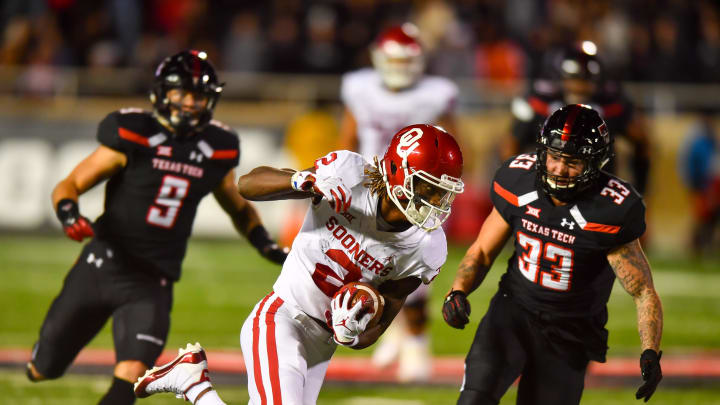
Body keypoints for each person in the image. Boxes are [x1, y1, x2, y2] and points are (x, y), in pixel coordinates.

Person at [26, 50, 288, 405]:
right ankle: (43, 360)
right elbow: (68, 184)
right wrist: (69, 213)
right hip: (102, 265)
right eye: (182, 93)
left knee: (130, 378)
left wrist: (264, 243)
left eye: (198, 95)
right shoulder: (133, 132)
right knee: (45, 368)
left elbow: (238, 208)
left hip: (153, 281)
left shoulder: (216, 148)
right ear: (163, 93)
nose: (190, 103)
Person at [134, 123, 465, 404]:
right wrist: (302, 181)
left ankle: (192, 382)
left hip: (320, 348)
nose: (436, 202)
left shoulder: (426, 246)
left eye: (442, 193)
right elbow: (247, 184)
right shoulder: (348, 174)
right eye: (428, 188)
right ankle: (193, 384)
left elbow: (384, 319)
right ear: (396, 172)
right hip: (282, 316)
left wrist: (353, 333)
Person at [442, 104, 663, 404]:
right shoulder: (518, 180)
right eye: (555, 157)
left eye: (572, 161)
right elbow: (481, 251)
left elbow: (642, 291)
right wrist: (458, 291)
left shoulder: (611, 210)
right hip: (512, 315)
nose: (559, 168)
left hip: (570, 332)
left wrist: (650, 351)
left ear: (595, 164)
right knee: (474, 399)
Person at [338, 22, 459, 381]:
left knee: (414, 268)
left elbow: (453, 146)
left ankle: (417, 342)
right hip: (371, 185)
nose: (398, 69)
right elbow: (347, 139)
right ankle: (395, 330)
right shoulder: (358, 87)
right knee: (365, 264)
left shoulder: (435, 94)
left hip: (418, 191)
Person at [500, 42, 652, 196]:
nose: (579, 87)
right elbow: (511, 144)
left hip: (596, 194)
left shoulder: (612, 104)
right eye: (574, 80)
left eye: (584, 81)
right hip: (545, 190)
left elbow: (642, 142)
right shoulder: (539, 101)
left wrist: (640, 191)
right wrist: (516, 187)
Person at [678, 110, 720, 255]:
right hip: (701, 186)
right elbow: (694, 166)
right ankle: (695, 247)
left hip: (709, 186)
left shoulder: (710, 141)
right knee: (701, 217)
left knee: (707, 217)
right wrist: (695, 184)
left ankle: (702, 246)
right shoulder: (699, 142)